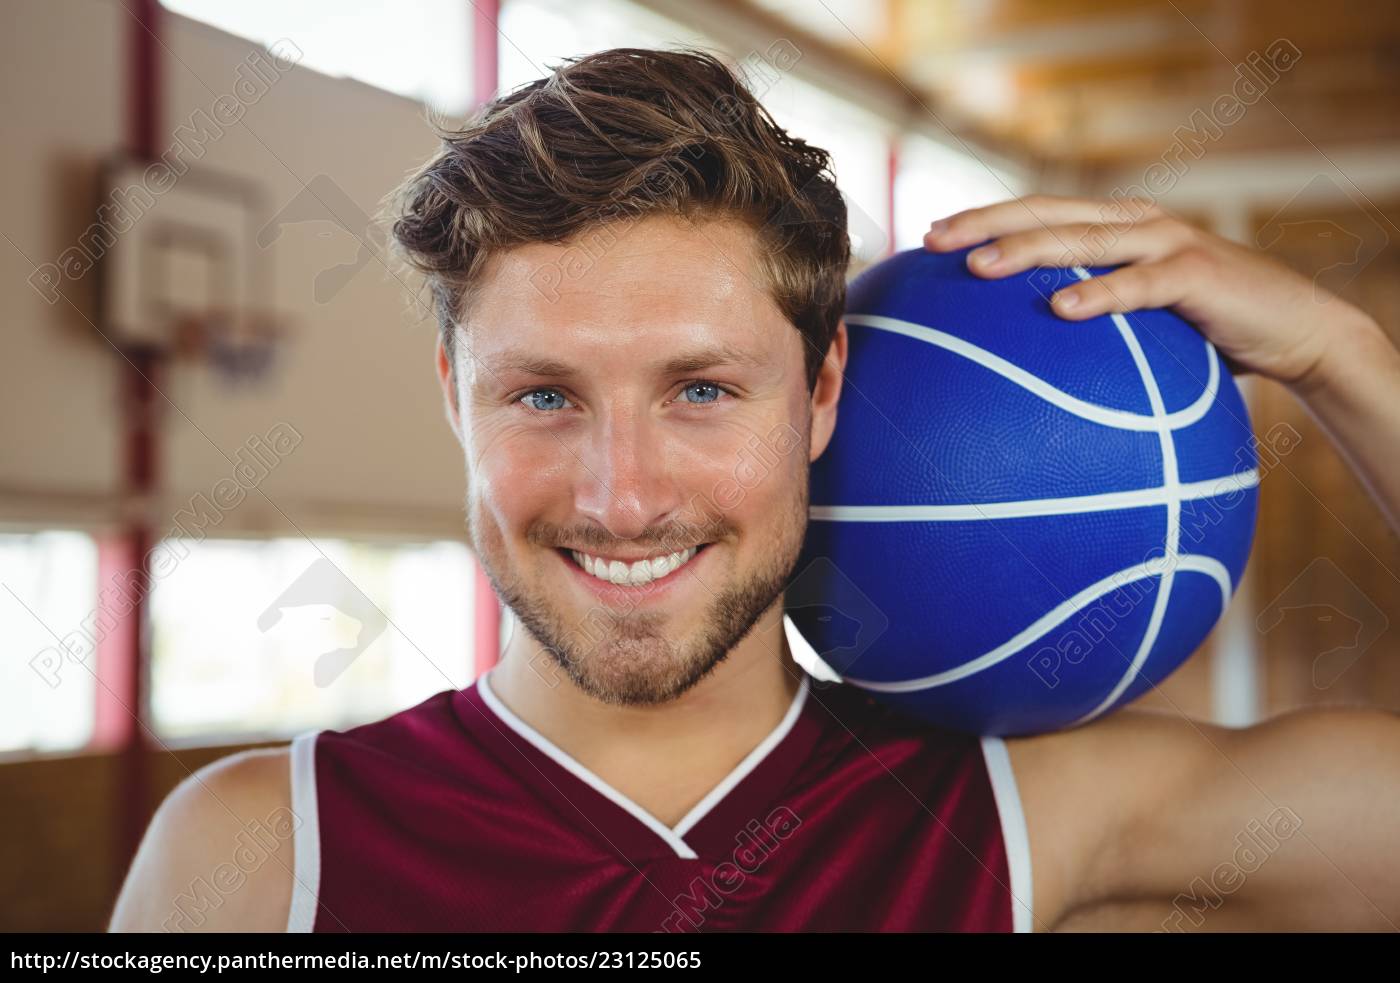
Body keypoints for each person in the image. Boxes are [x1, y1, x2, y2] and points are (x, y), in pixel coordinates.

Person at [109, 47, 1400, 933]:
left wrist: (1345, 359)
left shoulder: (1004, 814)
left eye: (702, 392)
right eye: (544, 396)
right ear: (455, 393)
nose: (621, 498)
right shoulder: (259, 858)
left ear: (822, 387)